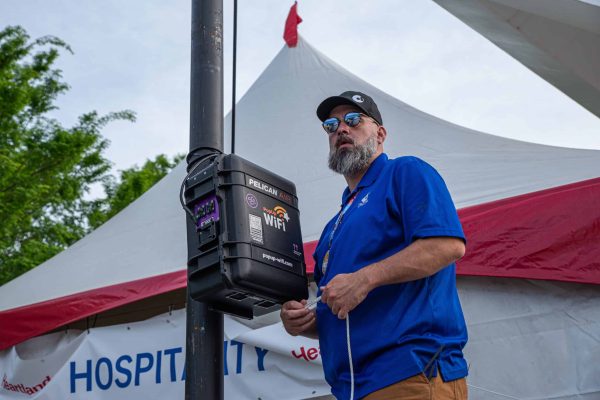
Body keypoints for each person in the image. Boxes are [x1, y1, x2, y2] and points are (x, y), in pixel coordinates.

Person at [280, 91, 469, 400]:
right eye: (331, 125)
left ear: (380, 134)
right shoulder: (334, 226)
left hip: (411, 374)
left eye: (353, 120)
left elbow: (447, 245)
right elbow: (344, 305)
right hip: (352, 388)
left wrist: (363, 279)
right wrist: (305, 322)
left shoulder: (405, 172)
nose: (341, 129)